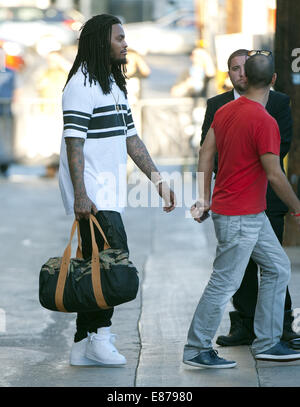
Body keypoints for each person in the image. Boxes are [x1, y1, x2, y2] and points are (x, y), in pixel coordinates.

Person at [58, 14, 176, 367]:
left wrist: (158, 181)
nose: (126, 44)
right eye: (119, 38)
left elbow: (131, 138)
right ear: (100, 42)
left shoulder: (112, 83)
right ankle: (100, 337)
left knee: (96, 265)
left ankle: (83, 343)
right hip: (94, 192)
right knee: (113, 265)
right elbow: (73, 143)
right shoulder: (80, 84)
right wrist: (80, 194)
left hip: (108, 191)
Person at [183, 52, 300, 369]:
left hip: (249, 213)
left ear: (245, 76)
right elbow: (275, 174)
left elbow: (206, 154)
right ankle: (196, 348)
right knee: (223, 283)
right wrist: (296, 207)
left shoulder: (224, 111)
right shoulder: (265, 121)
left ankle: (267, 342)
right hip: (239, 216)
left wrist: (204, 197)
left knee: (277, 268)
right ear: (273, 79)